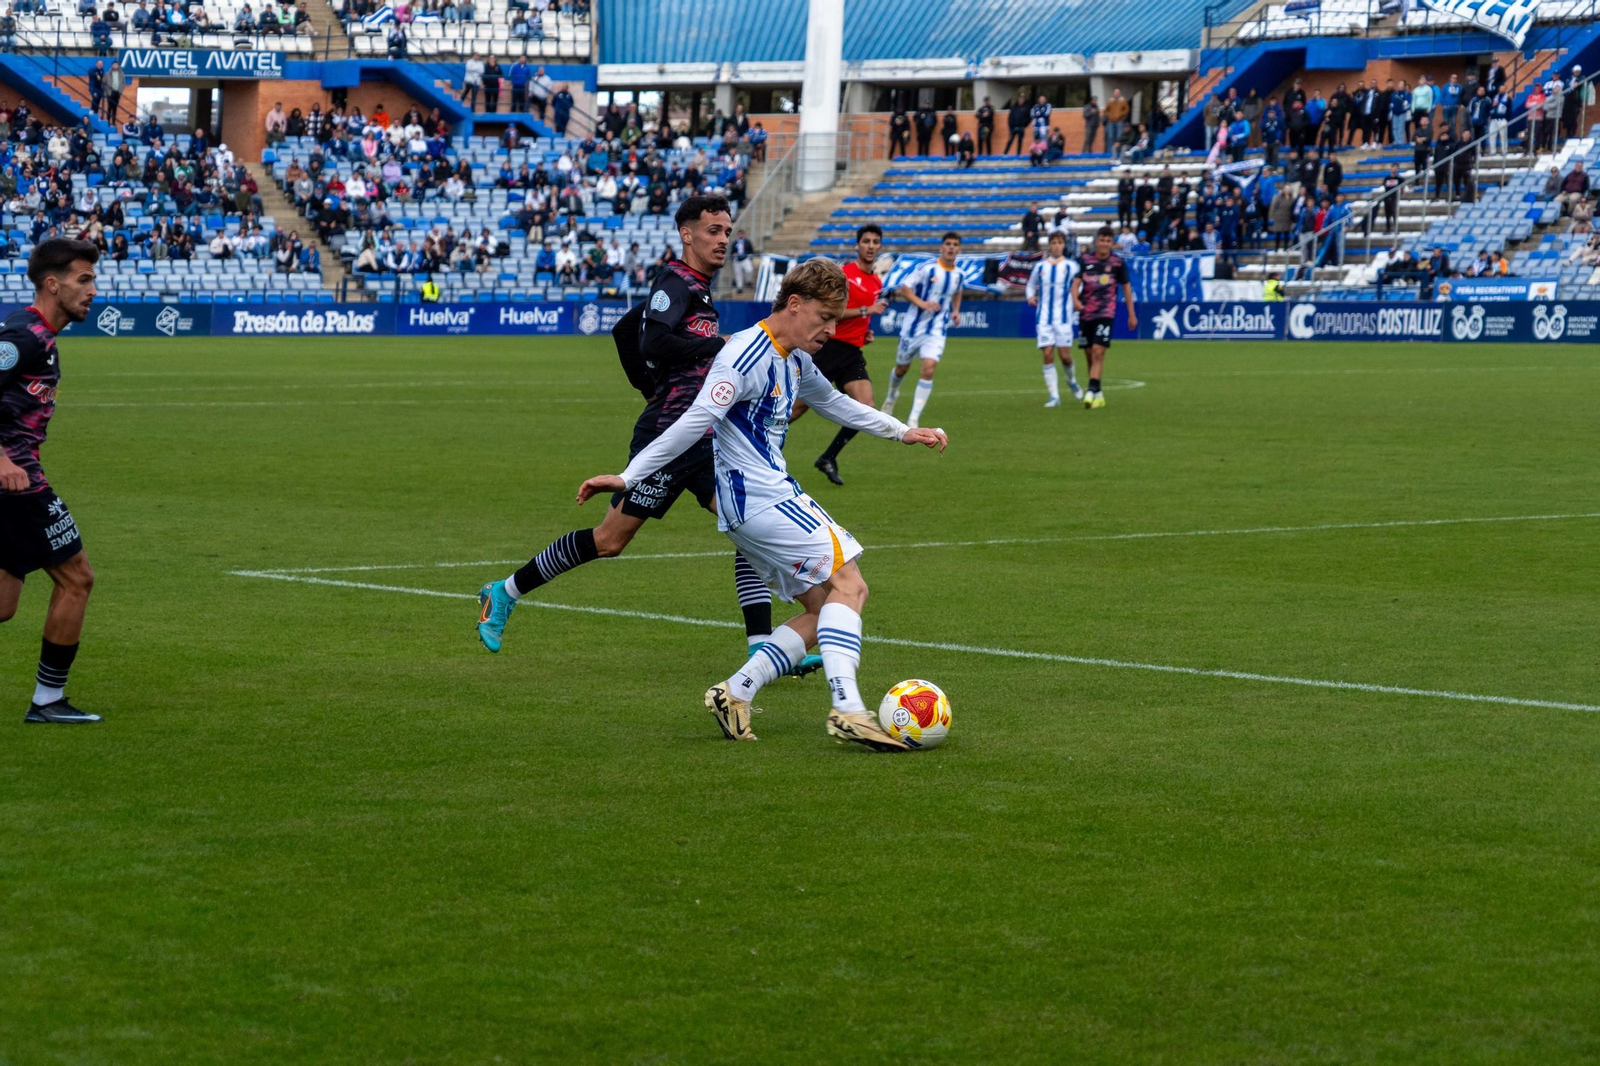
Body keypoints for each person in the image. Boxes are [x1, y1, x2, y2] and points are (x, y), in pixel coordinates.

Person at [573, 258, 948, 749]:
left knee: (820, 609)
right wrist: (627, 476)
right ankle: (848, 710)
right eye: (824, 318)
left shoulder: (794, 357)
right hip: (760, 498)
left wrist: (902, 431)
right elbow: (691, 421)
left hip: (763, 498)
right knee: (850, 584)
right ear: (794, 304)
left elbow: (835, 403)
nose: (832, 331)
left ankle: (735, 691)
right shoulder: (744, 354)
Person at [474, 195, 818, 677]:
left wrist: (654, 385)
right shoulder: (675, 281)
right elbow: (653, 340)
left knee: (748, 524)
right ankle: (503, 592)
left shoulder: (695, 289)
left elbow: (622, 329)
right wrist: (684, 372)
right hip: (669, 435)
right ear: (687, 234)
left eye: (727, 231)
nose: (723, 239)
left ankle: (761, 645)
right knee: (610, 540)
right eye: (714, 230)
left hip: (704, 435)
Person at [0, 238, 101, 724]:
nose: (93, 290)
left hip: (16, 483)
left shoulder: (40, 337)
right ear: (52, 284)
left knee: (2, 603)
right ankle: (47, 702)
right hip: (15, 486)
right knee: (77, 578)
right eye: (84, 279)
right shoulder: (24, 337)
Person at [793, 224, 889, 486]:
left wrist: (864, 333)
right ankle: (754, 444)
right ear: (857, 245)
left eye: (875, 242)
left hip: (851, 353)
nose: (870, 246)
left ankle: (828, 457)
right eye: (866, 241)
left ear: (880, 247)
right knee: (795, 409)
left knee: (866, 408)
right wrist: (865, 311)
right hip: (829, 349)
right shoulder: (845, 275)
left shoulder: (876, 282)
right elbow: (830, 310)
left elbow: (859, 319)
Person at [880, 231, 962, 429]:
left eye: (955, 245)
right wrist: (922, 303)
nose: (951, 247)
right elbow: (904, 288)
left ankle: (913, 418)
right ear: (942, 248)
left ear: (958, 249)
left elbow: (958, 290)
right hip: (913, 329)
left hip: (936, 330)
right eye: (948, 244)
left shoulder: (959, 274)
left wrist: (956, 311)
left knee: (928, 369)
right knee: (901, 368)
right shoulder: (927, 268)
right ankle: (892, 395)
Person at [1070, 226, 1136, 410]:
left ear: (1111, 243)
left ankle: (1090, 391)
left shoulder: (1117, 262)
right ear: (1096, 241)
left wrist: (1132, 314)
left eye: (1108, 241)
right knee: (1089, 353)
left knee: (1099, 351)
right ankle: (1098, 391)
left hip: (1106, 313)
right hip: (1086, 313)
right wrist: (1075, 300)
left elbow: (1127, 288)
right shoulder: (1085, 260)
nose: (1105, 244)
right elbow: (1075, 284)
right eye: (1102, 240)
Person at [1026, 230, 1081, 408]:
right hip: (1043, 318)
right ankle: (1054, 396)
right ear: (1049, 245)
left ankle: (1071, 380)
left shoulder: (1072, 266)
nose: (1056, 245)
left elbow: (1079, 285)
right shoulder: (1040, 267)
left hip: (1063, 319)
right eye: (1054, 242)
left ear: (1064, 245)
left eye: (1059, 242)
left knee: (1065, 357)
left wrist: (1075, 298)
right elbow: (1030, 284)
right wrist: (1030, 296)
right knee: (1048, 353)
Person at [1102, 89, 1129, 154]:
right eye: (1115, 93)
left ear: (1119, 93)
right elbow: (1106, 110)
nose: (1116, 94)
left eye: (1118, 93)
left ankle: (1118, 151)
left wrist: (1121, 114)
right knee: (1110, 136)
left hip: (1119, 121)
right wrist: (1109, 115)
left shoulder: (1123, 101)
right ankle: (1109, 152)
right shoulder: (1110, 101)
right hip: (1110, 121)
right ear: (1113, 93)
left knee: (1119, 136)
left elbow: (1127, 109)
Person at [730, 227, 754, 291]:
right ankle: (739, 287)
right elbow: (732, 251)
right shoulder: (735, 242)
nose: (740, 235)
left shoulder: (747, 242)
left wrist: (749, 256)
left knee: (749, 270)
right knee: (738, 274)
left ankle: (748, 281)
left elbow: (751, 250)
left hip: (745, 258)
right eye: (739, 234)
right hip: (737, 259)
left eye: (742, 234)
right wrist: (734, 255)